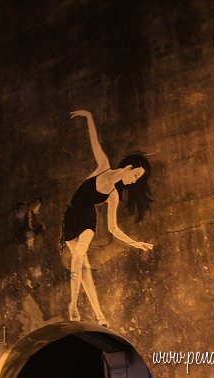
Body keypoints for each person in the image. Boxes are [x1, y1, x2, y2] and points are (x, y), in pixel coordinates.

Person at [63, 109, 155, 326]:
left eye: (137, 179)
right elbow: (93, 140)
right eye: (135, 175)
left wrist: (135, 243)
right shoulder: (103, 166)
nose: (133, 181)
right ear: (128, 167)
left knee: (79, 256)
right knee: (83, 268)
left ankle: (73, 306)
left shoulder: (112, 195)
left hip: (86, 218)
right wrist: (88, 116)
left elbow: (113, 229)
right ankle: (99, 315)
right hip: (70, 216)